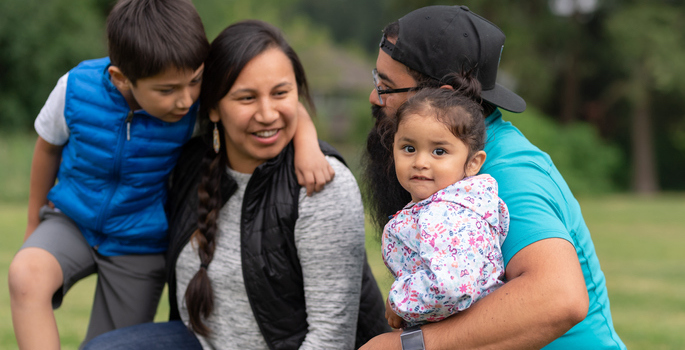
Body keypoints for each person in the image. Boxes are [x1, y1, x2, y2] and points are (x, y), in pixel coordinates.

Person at [8, 1, 333, 348]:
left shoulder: (192, 102)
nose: (185, 99)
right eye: (168, 90)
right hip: (72, 220)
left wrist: (308, 142)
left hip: (139, 242)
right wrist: (33, 223)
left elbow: (278, 97)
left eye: (195, 82)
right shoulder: (74, 89)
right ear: (122, 78)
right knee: (26, 274)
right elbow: (48, 147)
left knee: (111, 345)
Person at [83, 20, 389, 350]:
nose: (267, 113)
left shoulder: (320, 184)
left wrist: (304, 134)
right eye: (246, 98)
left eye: (280, 93)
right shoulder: (189, 163)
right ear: (213, 107)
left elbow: (331, 338)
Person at [361, 5, 626, 350]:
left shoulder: (507, 171)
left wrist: (409, 345)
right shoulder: (445, 162)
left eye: (386, 87)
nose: (373, 97)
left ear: (443, 96)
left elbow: (560, 297)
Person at [379, 82, 510, 330]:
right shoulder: (446, 208)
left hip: (462, 335)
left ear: (473, 163)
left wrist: (398, 301)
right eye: (409, 148)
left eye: (439, 151)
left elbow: (452, 287)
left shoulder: (447, 215)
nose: (420, 162)